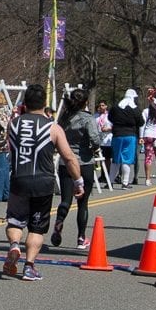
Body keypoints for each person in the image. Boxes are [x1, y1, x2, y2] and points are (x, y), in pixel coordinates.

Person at [3, 83, 82, 282]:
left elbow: (9, 148)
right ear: (44, 103)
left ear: (25, 103)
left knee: (14, 220)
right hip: (43, 182)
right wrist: (78, 181)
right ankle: (29, 267)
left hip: (19, 179)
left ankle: (14, 245)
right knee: (37, 227)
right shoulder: (53, 127)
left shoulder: (13, 124)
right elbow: (69, 157)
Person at [51, 89, 102, 249]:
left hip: (65, 162)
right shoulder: (87, 118)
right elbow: (95, 139)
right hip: (84, 162)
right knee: (83, 203)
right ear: (85, 102)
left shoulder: (64, 118)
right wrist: (94, 147)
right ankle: (81, 237)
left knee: (65, 199)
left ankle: (59, 222)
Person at [108, 88, 144, 188]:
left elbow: (110, 118)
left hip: (117, 135)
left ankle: (110, 181)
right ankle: (125, 182)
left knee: (115, 159)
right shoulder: (135, 108)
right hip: (130, 135)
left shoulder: (116, 107)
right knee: (126, 160)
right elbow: (141, 122)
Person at [139, 88, 156, 186]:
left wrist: (141, 136)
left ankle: (147, 179)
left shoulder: (146, 111)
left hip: (148, 135)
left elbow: (142, 125)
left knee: (148, 157)